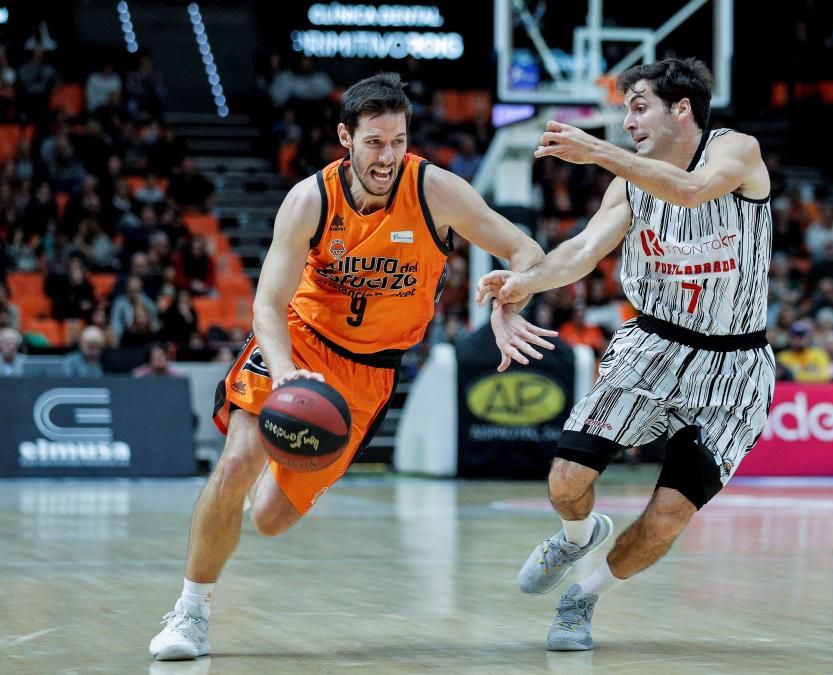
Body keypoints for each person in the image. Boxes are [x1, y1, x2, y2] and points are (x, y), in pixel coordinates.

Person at [149, 72, 553, 661]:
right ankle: (190, 611)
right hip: (300, 341)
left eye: (397, 141)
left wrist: (510, 299)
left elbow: (527, 250)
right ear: (346, 137)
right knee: (236, 462)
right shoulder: (311, 199)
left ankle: (250, 489)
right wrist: (285, 371)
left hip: (367, 374)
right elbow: (266, 303)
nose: (387, 156)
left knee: (269, 519)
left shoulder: (435, 191)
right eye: (373, 142)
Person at [477, 56, 775, 652]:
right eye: (625, 109)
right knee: (565, 483)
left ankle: (582, 597)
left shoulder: (736, 151)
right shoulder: (628, 184)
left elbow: (691, 191)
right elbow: (582, 250)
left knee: (667, 518)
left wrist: (599, 152)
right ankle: (576, 534)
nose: (628, 120)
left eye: (639, 106)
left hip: (737, 366)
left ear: (681, 108)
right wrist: (523, 285)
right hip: (653, 346)